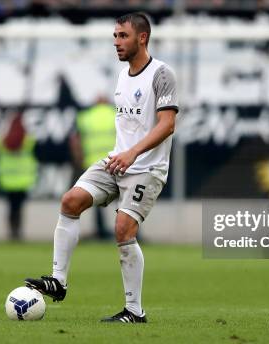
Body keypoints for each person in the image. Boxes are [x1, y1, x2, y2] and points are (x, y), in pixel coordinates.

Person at [25, 12, 178, 323]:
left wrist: (133, 154)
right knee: (70, 201)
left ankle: (134, 311)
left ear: (142, 38)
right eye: (115, 36)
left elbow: (168, 124)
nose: (117, 42)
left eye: (123, 36)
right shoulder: (122, 76)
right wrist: (123, 155)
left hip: (146, 167)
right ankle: (58, 280)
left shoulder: (162, 74)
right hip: (117, 161)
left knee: (123, 229)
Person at [69, 95, 117, 240]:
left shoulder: (85, 117)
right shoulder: (116, 114)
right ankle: (129, 230)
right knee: (125, 198)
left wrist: (79, 158)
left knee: (96, 197)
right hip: (116, 161)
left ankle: (101, 230)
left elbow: (75, 140)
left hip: (93, 162)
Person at [0, 112, 38, 241]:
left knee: (11, 207)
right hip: (23, 180)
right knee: (19, 208)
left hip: (7, 180)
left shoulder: (1, 141)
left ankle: (12, 232)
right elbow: (32, 141)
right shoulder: (27, 140)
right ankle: (18, 232)